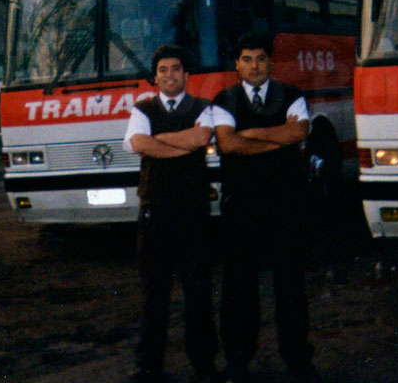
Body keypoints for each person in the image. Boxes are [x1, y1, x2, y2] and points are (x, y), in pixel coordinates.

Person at [212, 32, 320, 383]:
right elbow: (228, 144)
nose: (254, 65)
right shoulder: (223, 99)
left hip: (286, 205)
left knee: (290, 284)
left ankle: (298, 362)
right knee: (239, 288)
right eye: (247, 59)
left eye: (260, 58)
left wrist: (250, 135)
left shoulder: (292, 94)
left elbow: (299, 132)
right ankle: (238, 363)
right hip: (241, 207)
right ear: (237, 65)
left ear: (270, 62)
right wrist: (274, 135)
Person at [122, 44, 219, 383]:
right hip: (155, 211)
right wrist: (183, 142)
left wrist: (160, 140)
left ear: (187, 74)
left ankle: (204, 366)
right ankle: (149, 366)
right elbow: (139, 143)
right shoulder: (142, 109)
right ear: (155, 77)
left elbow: (202, 137)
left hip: (193, 210)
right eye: (163, 70)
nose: (169, 75)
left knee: (198, 290)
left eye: (176, 68)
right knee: (154, 292)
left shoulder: (204, 107)